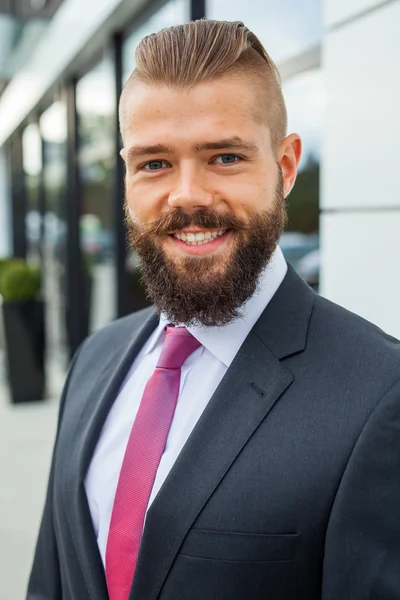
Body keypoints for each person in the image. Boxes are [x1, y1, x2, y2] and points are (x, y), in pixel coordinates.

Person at [27, 19, 400, 600]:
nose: (188, 196)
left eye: (224, 157)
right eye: (154, 163)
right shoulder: (94, 361)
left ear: (285, 165)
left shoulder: (380, 392)